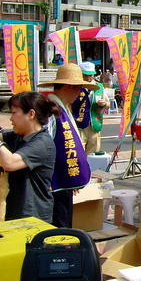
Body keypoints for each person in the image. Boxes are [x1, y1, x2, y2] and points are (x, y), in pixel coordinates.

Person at [0, 92, 58, 222]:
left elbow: (9, 163)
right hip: (12, 212)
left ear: (31, 114)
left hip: (31, 218)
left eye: (14, 113)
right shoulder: (18, 135)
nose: (11, 118)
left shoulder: (42, 143)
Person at [38, 63, 95, 228]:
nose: (79, 93)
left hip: (63, 180)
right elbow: (44, 146)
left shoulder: (63, 109)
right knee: (59, 225)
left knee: (65, 222)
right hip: (54, 182)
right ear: (69, 87)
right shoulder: (51, 111)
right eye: (78, 89)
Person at [72, 62, 108, 154]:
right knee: (78, 154)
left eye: (91, 75)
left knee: (93, 155)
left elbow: (108, 104)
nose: (88, 78)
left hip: (94, 124)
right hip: (79, 125)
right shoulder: (75, 87)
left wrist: (104, 104)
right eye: (85, 75)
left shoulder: (99, 87)